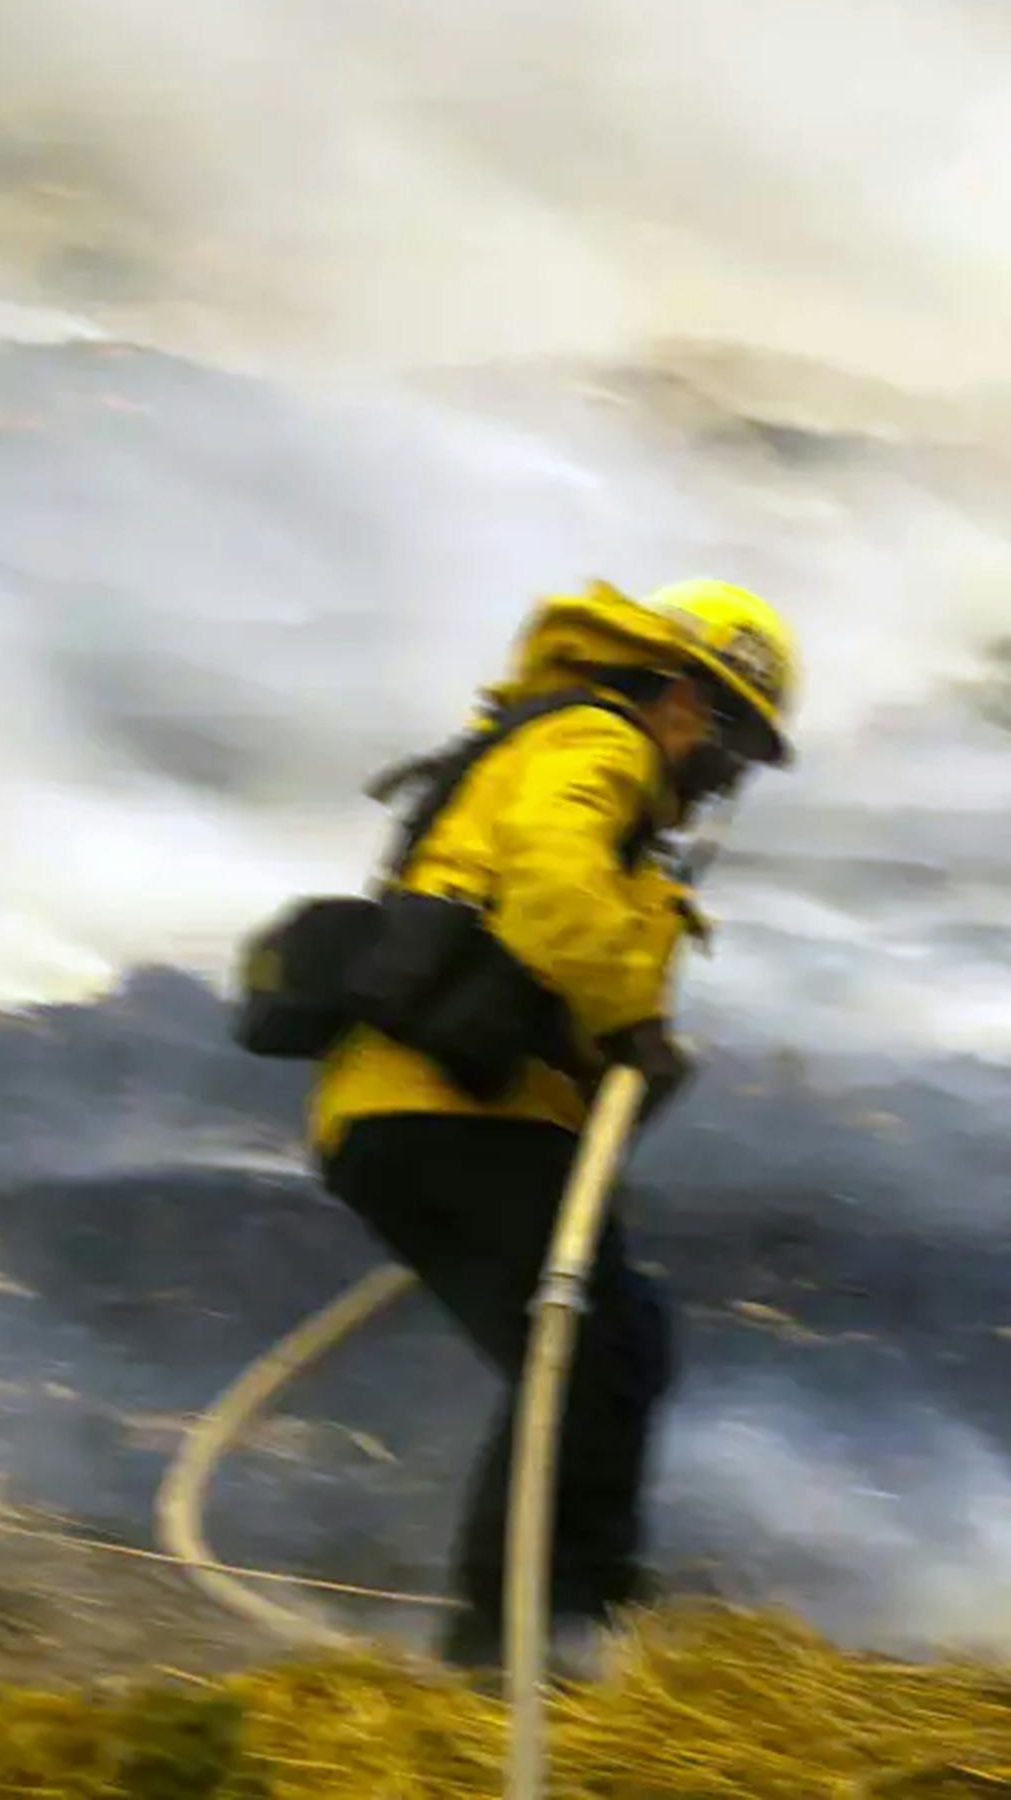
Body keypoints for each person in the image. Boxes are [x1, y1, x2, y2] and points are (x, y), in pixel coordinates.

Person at [309, 576, 798, 1676]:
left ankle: (567, 1611)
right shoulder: (598, 740)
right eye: (727, 743)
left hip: (447, 1114)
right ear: (679, 696)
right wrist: (632, 1025)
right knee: (586, 1350)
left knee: (610, 1343)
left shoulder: (591, 767)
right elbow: (553, 883)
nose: (720, 777)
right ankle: (523, 1644)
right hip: (436, 1110)